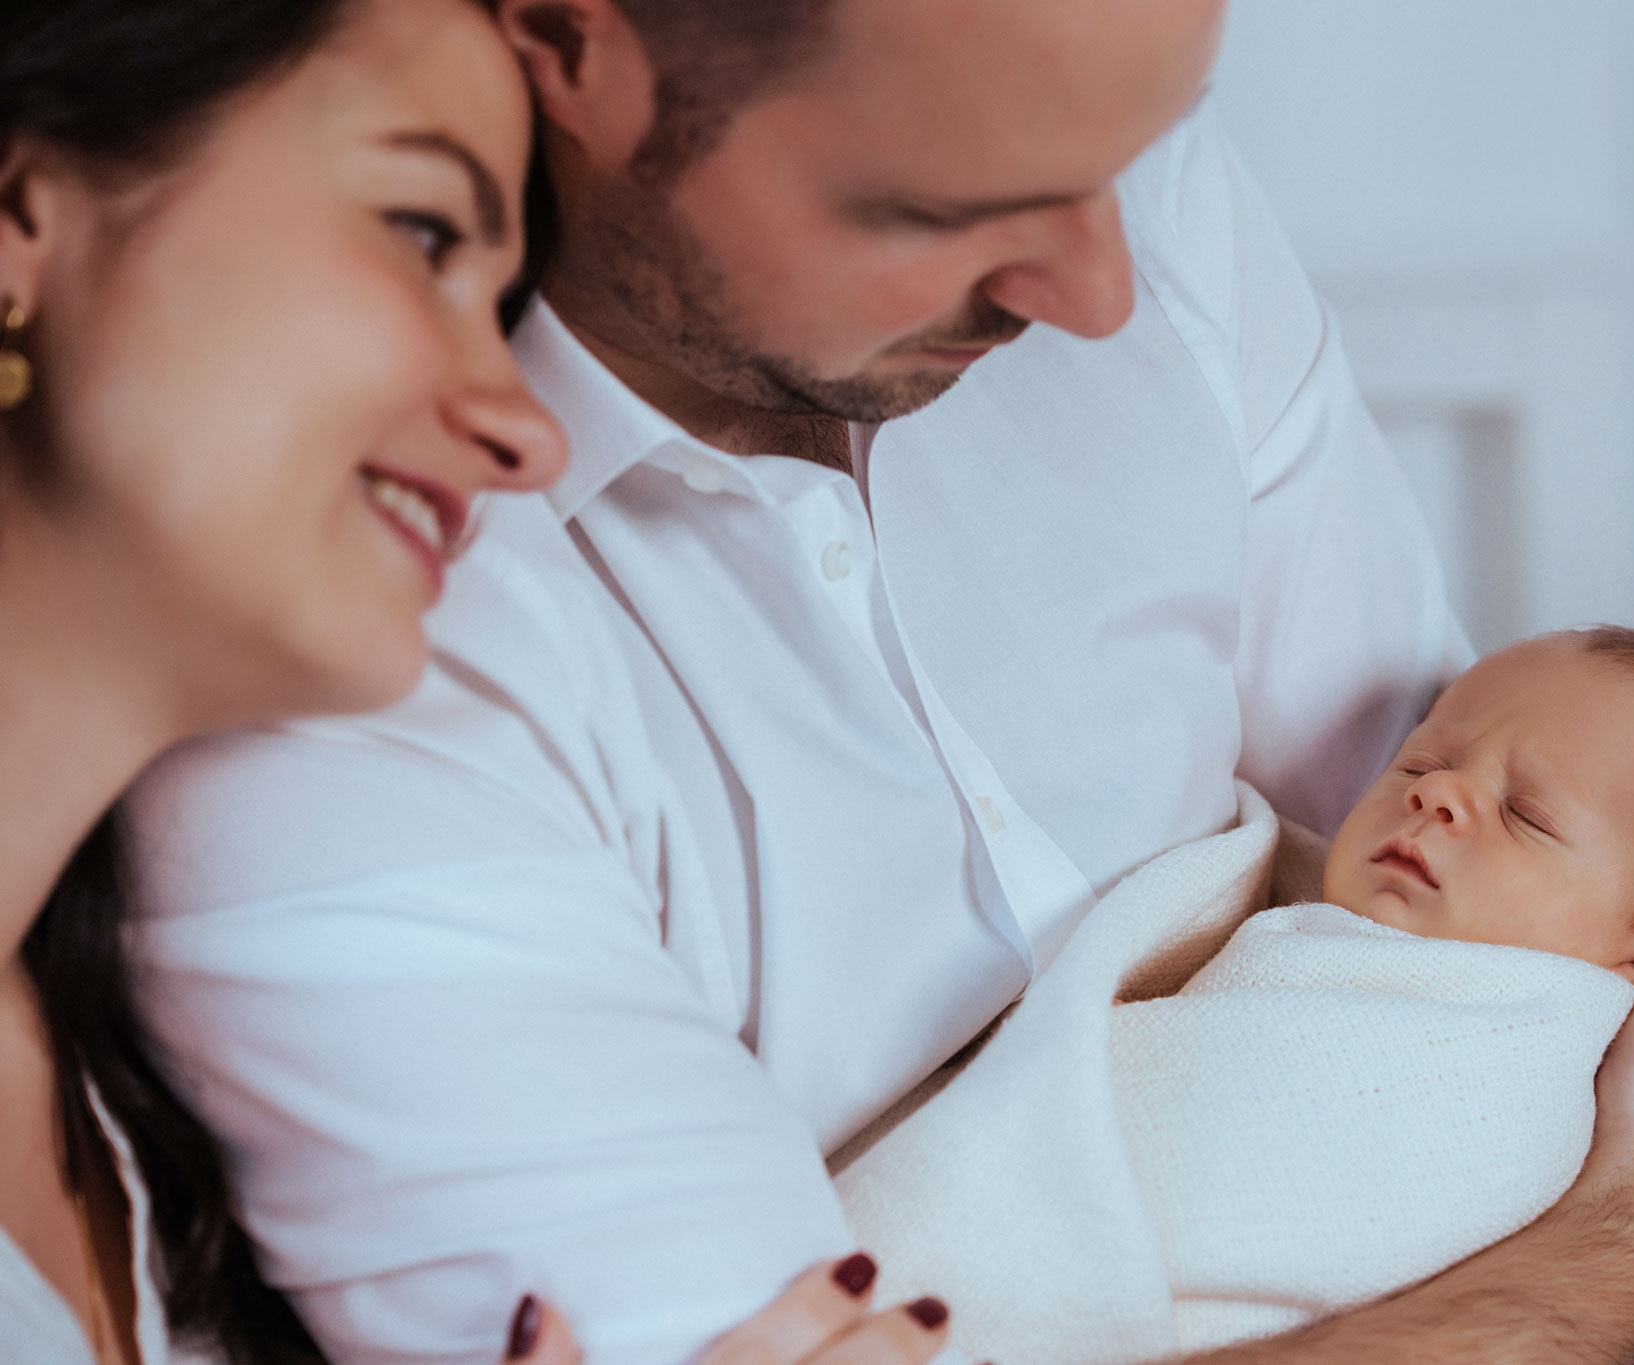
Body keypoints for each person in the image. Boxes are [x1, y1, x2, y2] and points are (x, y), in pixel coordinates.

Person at [125, 1, 1634, 1363]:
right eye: (940, 202)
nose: (1099, 292)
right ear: (571, 47)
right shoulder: (353, 644)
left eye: (1139, 146)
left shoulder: (1141, 212)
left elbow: (1482, 893)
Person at [0, 5, 948, 1365]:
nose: (525, 429)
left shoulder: (107, 1099)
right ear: (21, 215)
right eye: (424, 234)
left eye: (498, 306)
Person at [835, 627, 1634, 1365]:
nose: (1436, 796)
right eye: (1422, 763)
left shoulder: (1509, 1065)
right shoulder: (1277, 914)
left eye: (1524, 816)